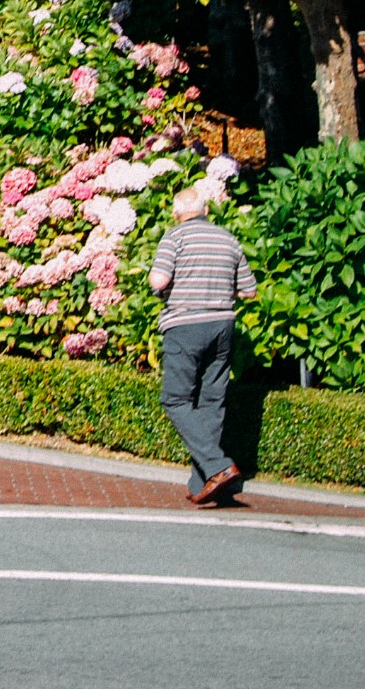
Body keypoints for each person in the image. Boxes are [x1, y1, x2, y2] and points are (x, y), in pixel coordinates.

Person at [150, 189, 257, 505]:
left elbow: (158, 281)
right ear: (206, 209)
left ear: (175, 213)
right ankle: (203, 483)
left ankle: (218, 467)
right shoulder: (228, 239)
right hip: (223, 326)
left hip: (185, 326)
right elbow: (249, 291)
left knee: (175, 399)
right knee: (212, 400)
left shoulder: (174, 238)